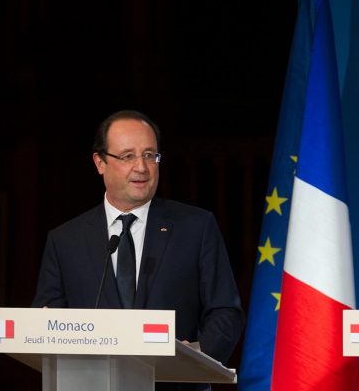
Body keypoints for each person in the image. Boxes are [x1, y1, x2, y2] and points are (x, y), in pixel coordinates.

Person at [32, 110, 245, 389]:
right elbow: (45, 322)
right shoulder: (65, 240)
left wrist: (196, 355)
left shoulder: (195, 227)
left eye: (150, 155)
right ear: (100, 162)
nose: (141, 168)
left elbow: (226, 312)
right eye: (128, 156)